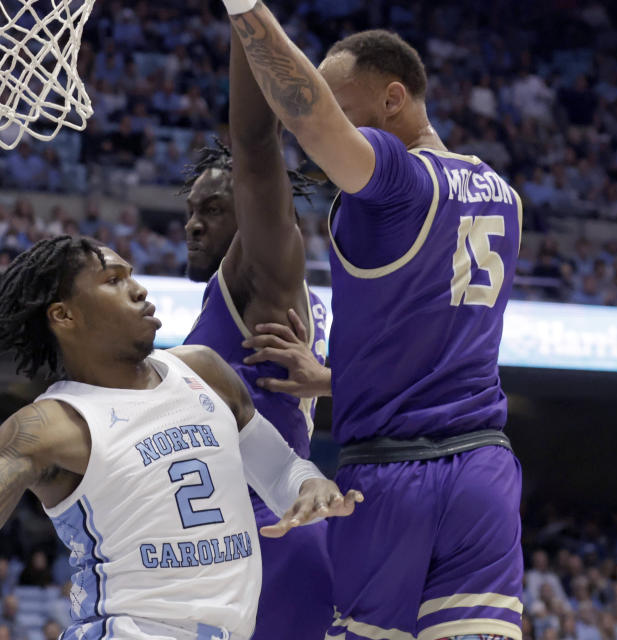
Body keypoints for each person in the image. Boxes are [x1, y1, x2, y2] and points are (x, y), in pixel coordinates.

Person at [0, 236, 362, 640]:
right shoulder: (48, 426)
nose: (139, 288)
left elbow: (282, 472)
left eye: (131, 274)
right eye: (114, 280)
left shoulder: (204, 371)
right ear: (64, 315)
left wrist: (310, 488)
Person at [220, 4, 524, 640]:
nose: (333, 114)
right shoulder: (502, 191)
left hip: (391, 479)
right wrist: (336, 379)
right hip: (484, 475)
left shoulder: (399, 182)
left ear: (393, 100)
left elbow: (307, 118)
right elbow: (434, 351)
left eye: (343, 100)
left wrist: (243, 9)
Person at [180, 30, 332, 640]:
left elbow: (254, 143)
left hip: (269, 528)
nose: (192, 224)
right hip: (241, 532)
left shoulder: (262, 272)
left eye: (212, 210)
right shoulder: (293, 302)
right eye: (190, 211)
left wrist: (245, 20)